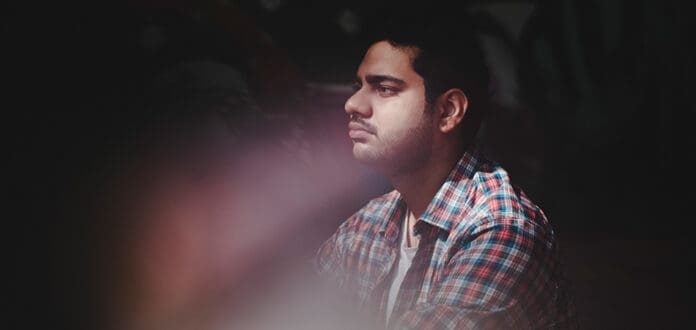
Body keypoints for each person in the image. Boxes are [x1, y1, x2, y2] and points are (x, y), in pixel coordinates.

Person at [314, 11, 577, 330]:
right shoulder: (367, 225)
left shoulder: (502, 230)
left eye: (384, 89)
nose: (353, 104)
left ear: (448, 111)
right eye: (358, 86)